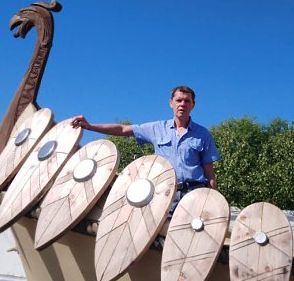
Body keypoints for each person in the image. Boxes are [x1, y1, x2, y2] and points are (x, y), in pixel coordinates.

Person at [71, 86, 220, 209]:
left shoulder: (203, 134)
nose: (182, 104)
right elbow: (123, 129)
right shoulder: (156, 129)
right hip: (165, 193)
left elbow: (210, 175)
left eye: (187, 101)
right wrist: (90, 126)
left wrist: (211, 201)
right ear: (171, 103)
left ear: (193, 105)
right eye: (178, 100)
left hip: (194, 193)